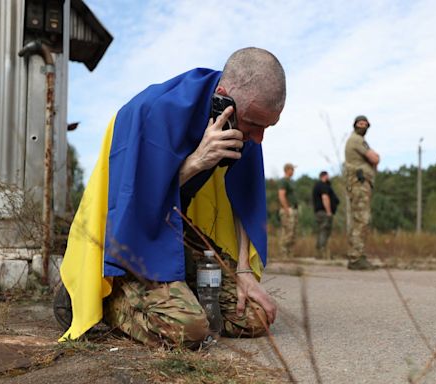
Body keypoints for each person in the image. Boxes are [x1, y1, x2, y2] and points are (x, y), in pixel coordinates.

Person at [57, 47, 286, 348]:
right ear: (223, 96)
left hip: (173, 226)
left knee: (255, 316)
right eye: (254, 124)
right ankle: (98, 298)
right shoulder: (153, 110)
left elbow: (244, 198)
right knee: (188, 329)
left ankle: (178, 291)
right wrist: (196, 163)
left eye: (267, 126)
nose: (258, 138)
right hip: (126, 234)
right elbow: (133, 202)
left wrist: (243, 270)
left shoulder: (239, 123)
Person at [344, 115, 380, 270]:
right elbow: (375, 158)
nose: (363, 126)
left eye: (366, 124)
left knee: (359, 219)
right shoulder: (357, 140)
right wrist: (375, 157)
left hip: (360, 185)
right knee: (361, 219)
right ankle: (356, 257)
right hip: (359, 184)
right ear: (355, 125)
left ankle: (356, 255)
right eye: (360, 123)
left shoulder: (358, 140)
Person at [312, 171, 340, 259]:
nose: (329, 177)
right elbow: (325, 198)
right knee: (324, 231)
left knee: (321, 231)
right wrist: (328, 212)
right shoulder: (323, 185)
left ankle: (320, 253)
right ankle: (322, 253)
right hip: (324, 212)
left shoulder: (318, 185)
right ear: (325, 176)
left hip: (319, 212)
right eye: (328, 176)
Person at [277, 163, 298, 258]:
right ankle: (283, 254)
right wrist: (286, 209)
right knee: (287, 232)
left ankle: (289, 255)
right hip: (287, 209)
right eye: (292, 169)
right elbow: (281, 195)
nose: (293, 171)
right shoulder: (283, 181)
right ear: (287, 170)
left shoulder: (291, 181)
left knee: (292, 233)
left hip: (293, 209)